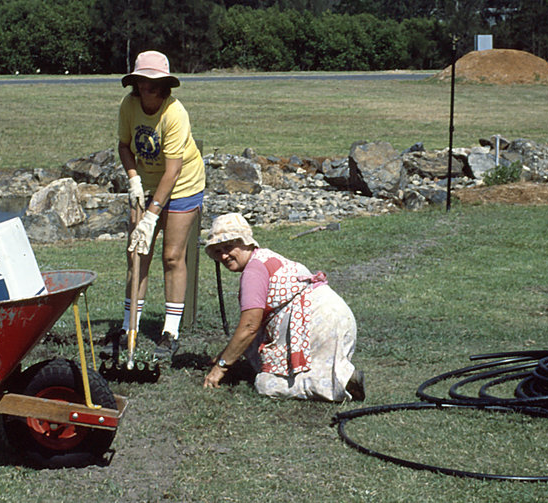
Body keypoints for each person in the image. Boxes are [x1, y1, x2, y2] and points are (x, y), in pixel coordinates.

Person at [202, 213, 364, 401]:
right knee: (320, 364)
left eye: (229, 247)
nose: (224, 255)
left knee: (266, 384)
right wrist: (225, 354)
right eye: (218, 251)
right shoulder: (265, 257)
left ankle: (338, 384)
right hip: (338, 316)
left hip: (320, 323)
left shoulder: (253, 272)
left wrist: (220, 367)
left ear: (246, 242)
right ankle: (343, 376)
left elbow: (249, 327)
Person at [114, 50, 205, 359]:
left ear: (165, 86)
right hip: (147, 181)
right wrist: (133, 180)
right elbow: (124, 145)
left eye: (153, 84)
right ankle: (130, 327)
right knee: (136, 252)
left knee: (172, 256)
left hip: (182, 184)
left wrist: (152, 216)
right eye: (142, 83)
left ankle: (170, 331)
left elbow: (174, 169)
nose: (146, 89)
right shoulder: (129, 105)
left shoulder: (174, 113)